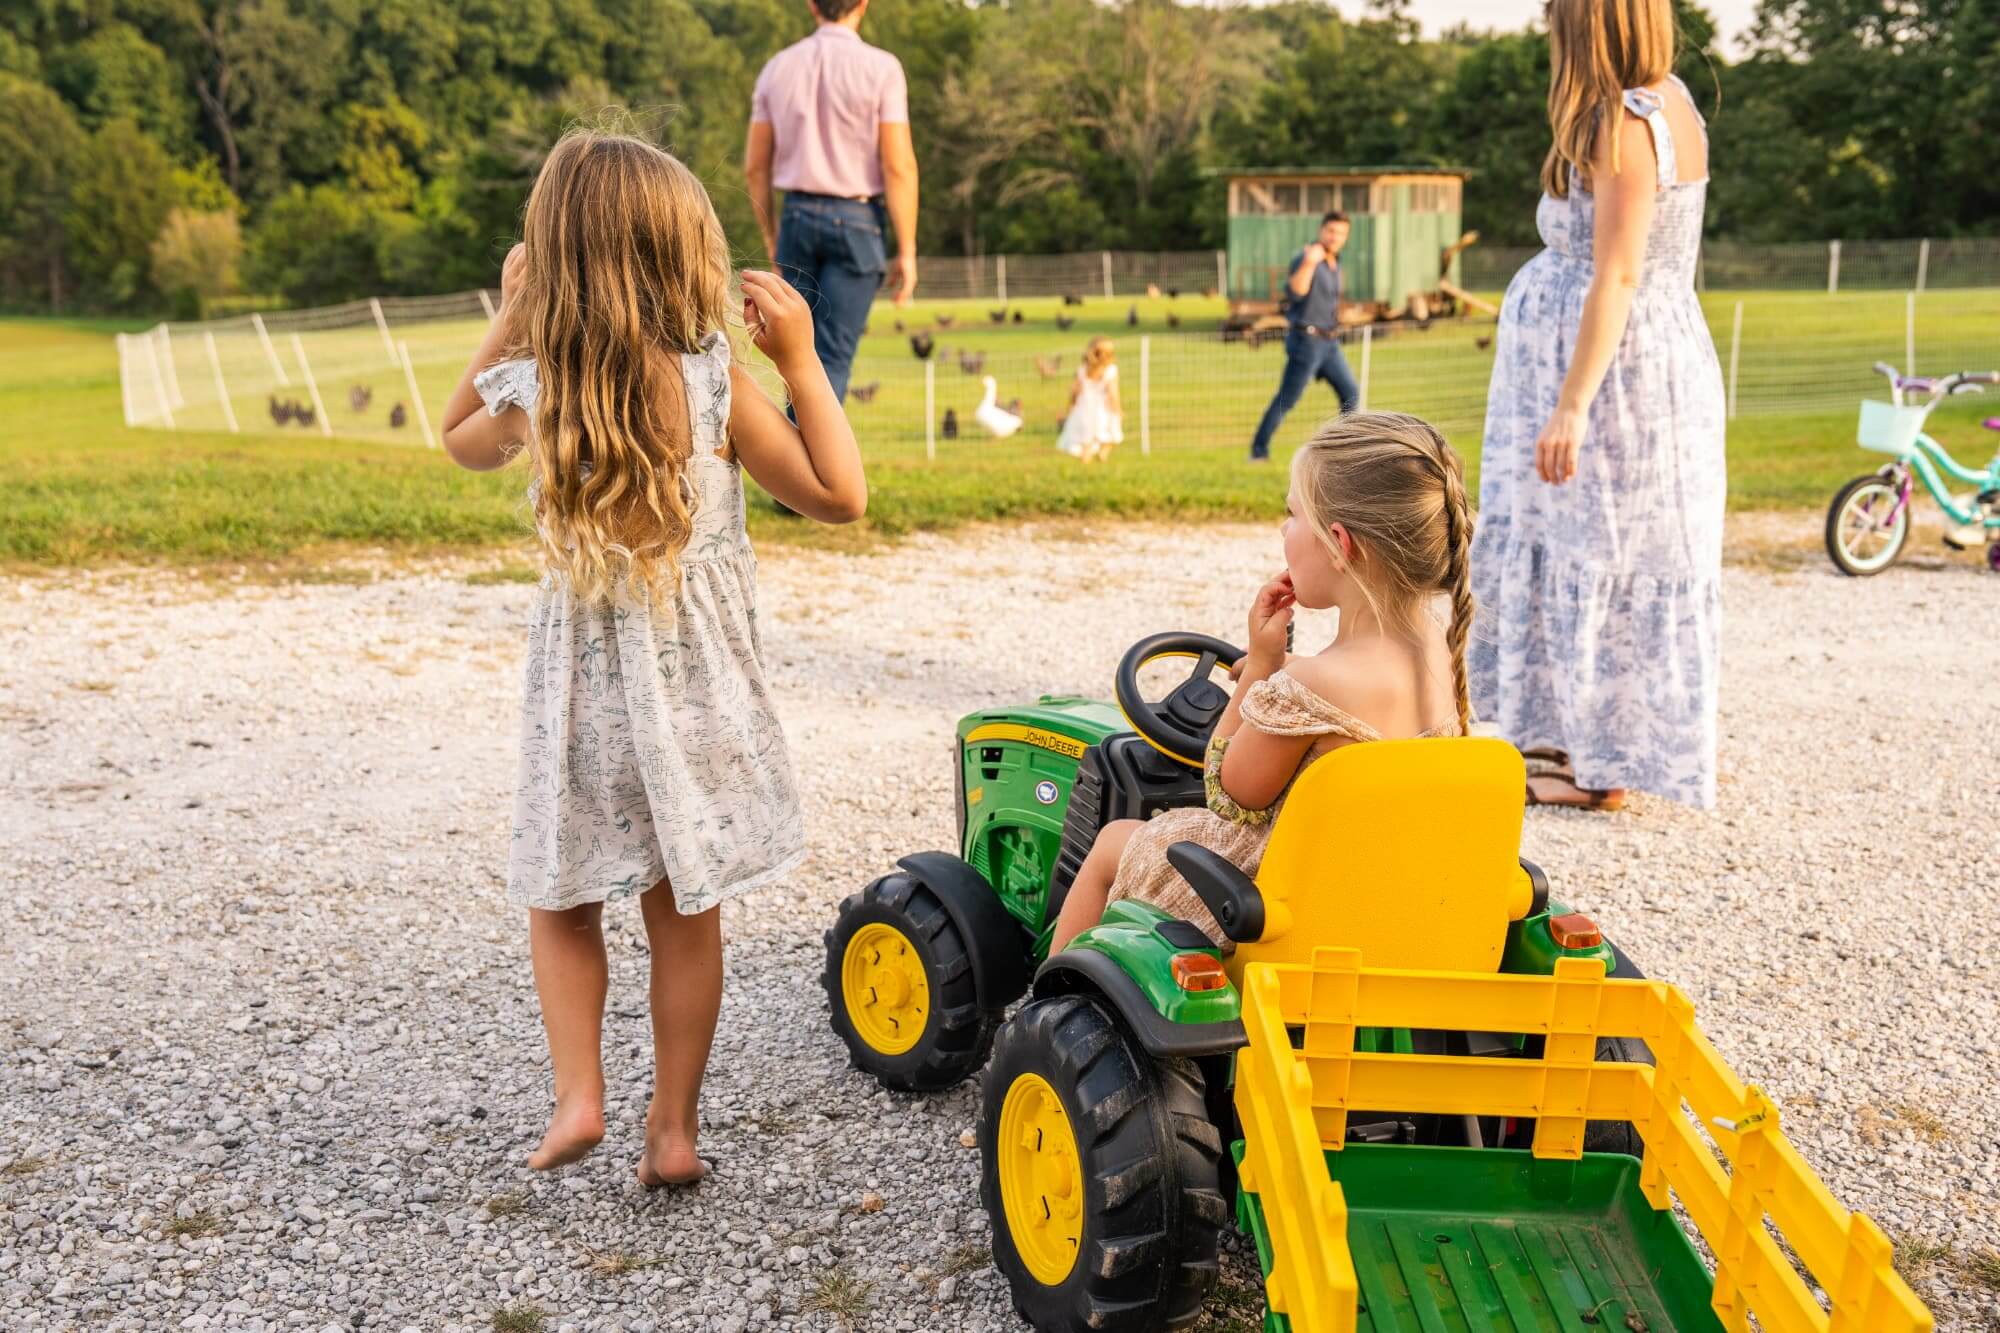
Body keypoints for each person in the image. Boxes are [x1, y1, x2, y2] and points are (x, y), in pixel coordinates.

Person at [438, 131, 867, 1184]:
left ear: (553, 257)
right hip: (694, 701)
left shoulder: (539, 387)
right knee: (683, 909)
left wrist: (508, 312)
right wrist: (803, 361)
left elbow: (452, 435)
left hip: (580, 702)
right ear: (681, 255)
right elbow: (840, 496)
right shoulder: (715, 386)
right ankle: (670, 1130)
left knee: (562, 895)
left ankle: (578, 1093)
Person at [1051, 412, 1474, 951]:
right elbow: (1359, 706)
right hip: (1380, 886)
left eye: (1292, 514)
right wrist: (1285, 666)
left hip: (1276, 900)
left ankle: (1044, 1002)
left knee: (1112, 842)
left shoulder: (1310, 689)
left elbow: (1229, 794)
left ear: (1340, 544)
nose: (1283, 529)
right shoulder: (1440, 653)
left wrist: (1263, 667)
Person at [1469, 0, 1724, 812]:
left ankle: (1599, 768)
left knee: (1602, 542)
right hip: (1642, 355)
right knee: (1597, 540)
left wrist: (1572, 403)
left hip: (1610, 375)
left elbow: (1618, 273)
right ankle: (1585, 736)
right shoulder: (1672, 99)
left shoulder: (1621, 122)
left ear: (1583, 30)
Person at [745, 0, 919, 408]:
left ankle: (796, 466)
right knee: (833, 360)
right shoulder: (882, 68)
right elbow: (899, 167)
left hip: (797, 219)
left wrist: (772, 236)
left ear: (811, 5)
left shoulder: (778, 68)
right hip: (858, 223)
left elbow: (756, 167)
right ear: (863, 4)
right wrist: (907, 252)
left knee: (794, 360)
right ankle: (816, 471)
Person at [1248, 211, 1360, 462]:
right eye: (1331, 231)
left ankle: (1348, 450)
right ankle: (1258, 451)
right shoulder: (1307, 257)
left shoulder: (1335, 262)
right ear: (1322, 230)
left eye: (1341, 233)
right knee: (1286, 400)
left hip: (1329, 343)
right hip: (1306, 342)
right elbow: (1296, 291)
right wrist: (1310, 263)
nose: (1335, 237)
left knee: (1351, 393)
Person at [1057, 336, 1124, 462]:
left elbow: (1074, 392)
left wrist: (1071, 406)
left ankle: (1086, 459)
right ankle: (1103, 454)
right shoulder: (1110, 371)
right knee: (1110, 435)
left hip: (1084, 409)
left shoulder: (1082, 370)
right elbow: (1113, 393)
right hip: (1103, 410)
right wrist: (1117, 409)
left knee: (1086, 440)